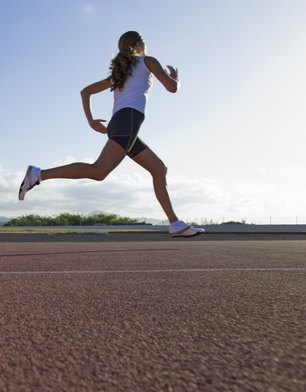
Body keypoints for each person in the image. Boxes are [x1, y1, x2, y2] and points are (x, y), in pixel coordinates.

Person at [18, 30, 204, 238]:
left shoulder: (120, 74)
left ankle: (175, 223)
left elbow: (85, 91)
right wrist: (175, 78)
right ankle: (38, 174)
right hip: (128, 122)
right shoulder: (147, 61)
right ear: (139, 43)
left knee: (159, 169)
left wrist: (90, 121)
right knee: (99, 171)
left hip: (121, 123)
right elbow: (172, 88)